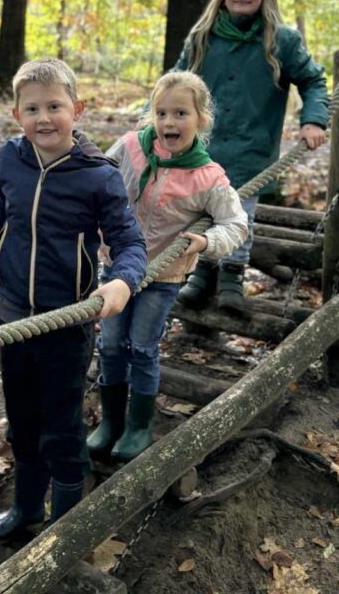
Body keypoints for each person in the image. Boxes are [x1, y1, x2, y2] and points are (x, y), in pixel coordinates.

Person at [0, 59, 147, 541]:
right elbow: (8, 207)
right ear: (17, 115)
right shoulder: (11, 158)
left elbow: (129, 241)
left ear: (78, 109)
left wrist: (122, 281)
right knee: (21, 420)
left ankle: (66, 525)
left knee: (61, 424)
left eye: (55, 106)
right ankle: (27, 507)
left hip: (66, 322)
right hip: (12, 317)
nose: (44, 118)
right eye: (32, 109)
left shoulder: (97, 175)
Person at [88, 71, 248, 462]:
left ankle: (139, 426)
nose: (169, 122)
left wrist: (207, 242)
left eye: (180, 113)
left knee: (142, 346)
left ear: (201, 119)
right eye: (161, 113)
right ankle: (111, 421)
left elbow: (236, 223)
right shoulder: (130, 147)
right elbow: (97, 176)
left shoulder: (207, 177)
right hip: (117, 268)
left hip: (163, 275)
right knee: (110, 343)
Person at [173, 0, 329, 311]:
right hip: (203, 146)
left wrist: (314, 121)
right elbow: (174, 81)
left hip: (252, 148)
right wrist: (150, 121)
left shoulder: (281, 41)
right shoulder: (203, 38)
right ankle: (201, 275)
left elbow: (313, 81)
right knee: (201, 210)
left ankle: (232, 276)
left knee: (239, 213)